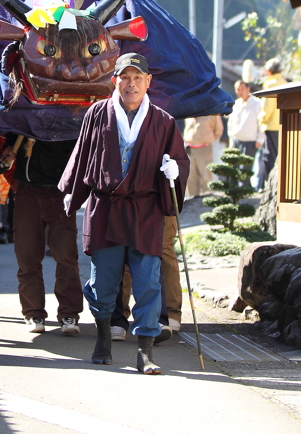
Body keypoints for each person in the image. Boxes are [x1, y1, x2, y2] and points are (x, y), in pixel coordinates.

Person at [60, 53, 188, 375]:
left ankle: (145, 351)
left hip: (146, 211)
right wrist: (72, 196)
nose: (131, 84)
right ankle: (103, 336)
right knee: (103, 283)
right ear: (114, 81)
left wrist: (174, 171)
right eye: (125, 78)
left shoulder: (163, 121)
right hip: (106, 208)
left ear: (148, 82)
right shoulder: (97, 114)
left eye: (137, 78)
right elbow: (83, 155)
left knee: (148, 282)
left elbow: (179, 161)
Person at [0, 136, 82, 335]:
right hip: (28, 189)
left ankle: (69, 314)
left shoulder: (71, 114)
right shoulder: (24, 112)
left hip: (61, 190)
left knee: (66, 255)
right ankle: (33, 312)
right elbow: (8, 142)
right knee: (27, 255)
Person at [257, 59, 287, 189]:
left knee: (269, 157)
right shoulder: (285, 82)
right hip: (284, 124)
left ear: (269, 71)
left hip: (271, 125)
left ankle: (268, 186)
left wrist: (261, 119)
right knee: (281, 158)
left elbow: (267, 108)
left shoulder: (270, 84)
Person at [181, 115, 223, 199]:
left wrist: (210, 139)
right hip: (190, 148)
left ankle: (207, 198)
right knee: (191, 176)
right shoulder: (190, 112)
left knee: (206, 175)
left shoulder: (211, 113)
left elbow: (219, 129)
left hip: (204, 147)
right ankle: (192, 198)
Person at [228, 80, 264, 159]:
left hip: (250, 141)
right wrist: (231, 141)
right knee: (234, 168)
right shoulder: (235, 104)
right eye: (238, 89)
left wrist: (260, 139)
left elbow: (261, 122)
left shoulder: (257, 103)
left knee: (246, 169)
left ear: (248, 89)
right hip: (236, 140)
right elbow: (231, 123)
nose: (240, 92)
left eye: (242, 89)